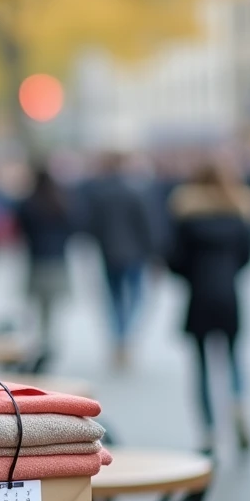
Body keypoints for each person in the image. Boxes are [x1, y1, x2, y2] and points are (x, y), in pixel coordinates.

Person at [167, 161, 250, 455]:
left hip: (199, 296)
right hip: (229, 296)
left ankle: (208, 431)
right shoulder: (239, 218)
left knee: (201, 365)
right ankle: (238, 403)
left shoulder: (187, 220)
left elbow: (174, 260)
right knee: (233, 357)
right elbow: (248, 256)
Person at [84, 153, 156, 367]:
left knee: (113, 298)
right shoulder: (135, 192)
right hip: (134, 253)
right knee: (136, 297)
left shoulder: (99, 195)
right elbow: (146, 225)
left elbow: (91, 226)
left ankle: (118, 336)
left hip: (109, 253)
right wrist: (153, 251)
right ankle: (125, 335)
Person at [13, 166, 76, 373]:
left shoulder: (28, 203)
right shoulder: (62, 202)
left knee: (39, 304)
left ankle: (42, 338)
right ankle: (48, 338)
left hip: (37, 260)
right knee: (52, 304)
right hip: (57, 259)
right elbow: (73, 226)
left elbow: (19, 227)